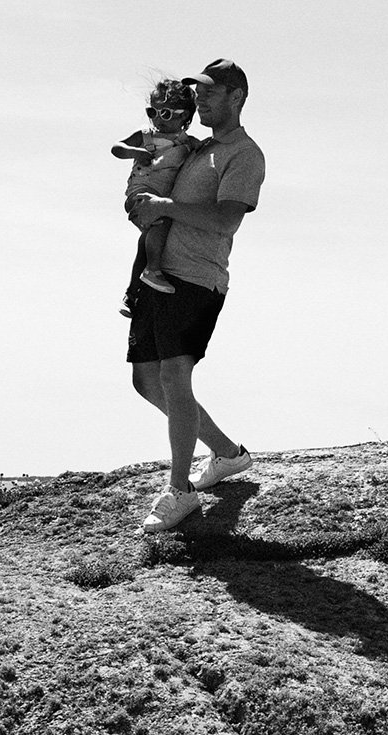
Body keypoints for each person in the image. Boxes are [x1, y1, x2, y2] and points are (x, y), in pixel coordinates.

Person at [126, 59, 266, 532]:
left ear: (237, 97)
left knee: (172, 374)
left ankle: (179, 489)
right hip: (157, 276)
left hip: (197, 278)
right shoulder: (196, 147)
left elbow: (227, 220)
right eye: (198, 93)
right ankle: (227, 454)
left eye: (210, 93)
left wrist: (164, 206)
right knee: (146, 381)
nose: (199, 100)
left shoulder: (244, 154)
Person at [110, 79, 200, 317]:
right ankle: (153, 270)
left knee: (149, 238)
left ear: (185, 117)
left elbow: (203, 150)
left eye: (166, 113)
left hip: (159, 200)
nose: (158, 118)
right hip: (139, 195)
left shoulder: (186, 143)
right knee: (163, 221)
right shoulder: (145, 135)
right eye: (153, 112)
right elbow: (116, 147)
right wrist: (133, 152)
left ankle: (131, 294)